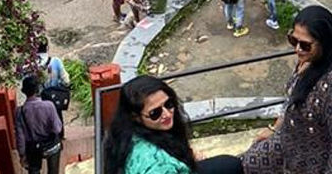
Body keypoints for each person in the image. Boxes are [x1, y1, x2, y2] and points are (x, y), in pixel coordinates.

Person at [241, 5, 332, 174]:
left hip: (319, 156)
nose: (297, 49)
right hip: (294, 138)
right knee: (251, 162)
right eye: (293, 40)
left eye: (305, 45)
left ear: (324, 43)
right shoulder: (309, 61)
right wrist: (274, 129)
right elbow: (292, 99)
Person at [102, 74, 243, 174]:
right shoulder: (157, 166)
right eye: (155, 113)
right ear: (136, 117)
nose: (167, 114)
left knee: (230, 164)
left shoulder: (125, 135)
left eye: (168, 104)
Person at [16, 74, 63, 174]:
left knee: (34, 170)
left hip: (33, 149)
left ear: (24, 92)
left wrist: (22, 155)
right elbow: (57, 129)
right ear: (38, 89)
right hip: (51, 146)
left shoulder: (20, 111)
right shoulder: (49, 106)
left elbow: (20, 137)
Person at [38, 39, 71, 134]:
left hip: (39, 100)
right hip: (54, 98)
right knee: (57, 117)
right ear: (47, 48)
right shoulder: (56, 61)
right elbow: (66, 80)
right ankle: (60, 136)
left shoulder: (32, 65)